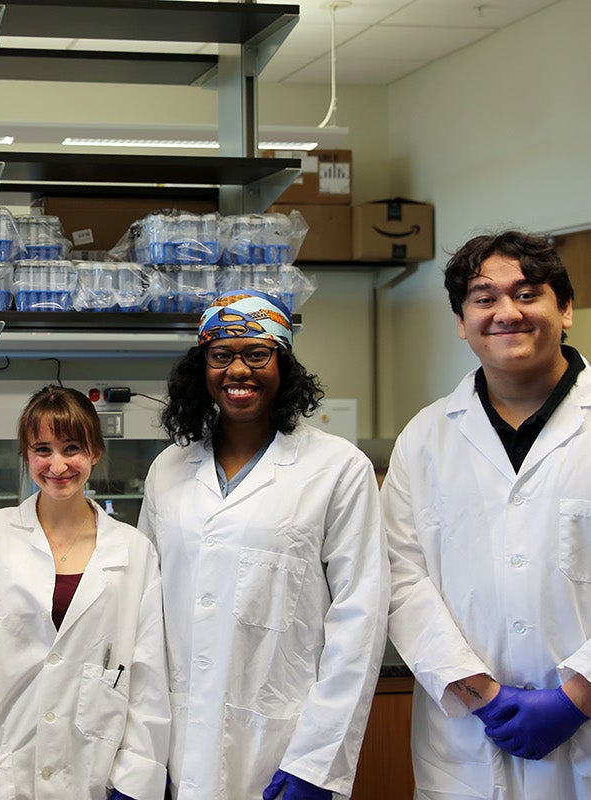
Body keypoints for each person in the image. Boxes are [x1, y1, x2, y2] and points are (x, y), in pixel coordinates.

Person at [138, 289, 387, 800]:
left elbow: (359, 618)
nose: (238, 370)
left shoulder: (338, 468)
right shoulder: (168, 469)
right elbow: (143, 613)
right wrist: (140, 752)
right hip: (175, 743)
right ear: (201, 368)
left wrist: (318, 761)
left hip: (286, 741)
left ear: (284, 364)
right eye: (221, 355)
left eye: (257, 353)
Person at [383, 231, 591, 798]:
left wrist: (580, 695)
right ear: (461, 321)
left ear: (565, 308)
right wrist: (481, 692)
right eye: (484, 298)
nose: (507, 313)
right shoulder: (425, 438)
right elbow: (402, 578)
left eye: (528, 294)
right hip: (470, 742)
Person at [0, 386, 169, 800]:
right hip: (2, 755)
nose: (57, 465)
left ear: (95, 452)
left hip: (93, 764)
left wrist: (136, 772)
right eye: (42, 449)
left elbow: (148, 670)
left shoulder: (133, 550)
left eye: (72, 448)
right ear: (26, 457)